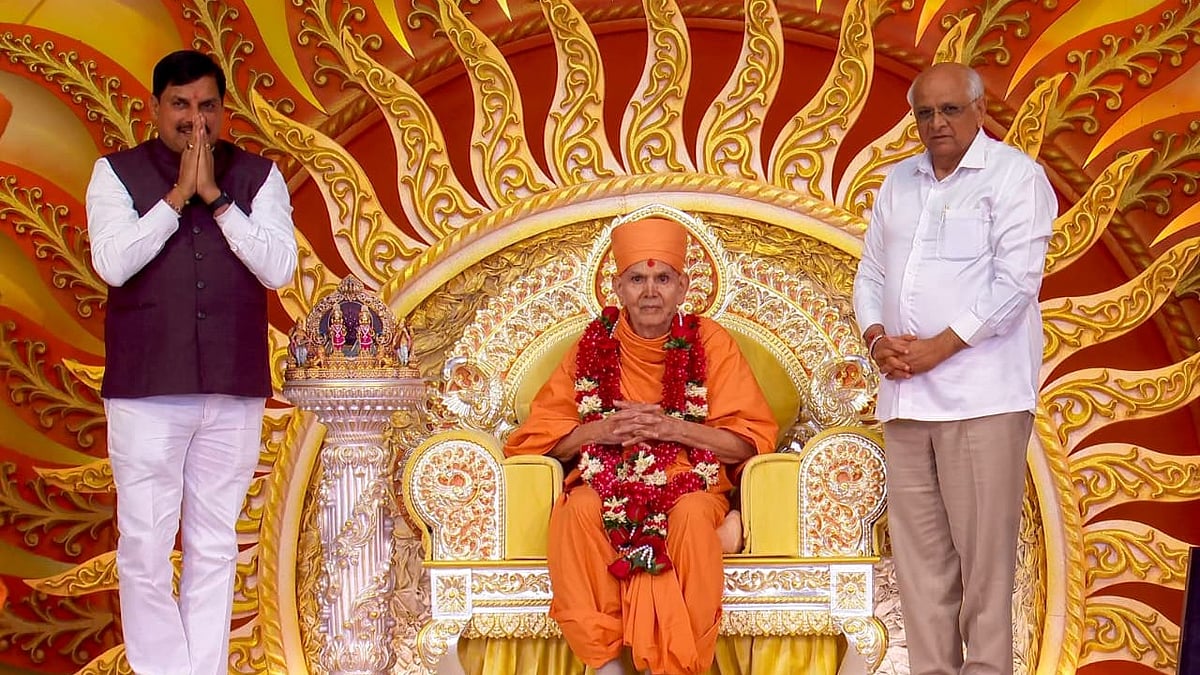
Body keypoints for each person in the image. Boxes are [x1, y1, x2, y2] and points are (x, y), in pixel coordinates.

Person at [86, 50, 297, 675]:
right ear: (156, 109)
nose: (194, 120)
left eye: (207, 105)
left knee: (214, 544)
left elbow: (279, 268)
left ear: (223, 109)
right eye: (180, 105)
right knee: (145, 545)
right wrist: (178, 198)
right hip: (146, 391)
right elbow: (113, 263)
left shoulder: (259, 178)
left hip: (232, 388)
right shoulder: (115, 174)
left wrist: (219, 202)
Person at [503, 217, 779, 675]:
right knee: (577, 512)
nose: (650, 292)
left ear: (683, 286)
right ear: (617, 286)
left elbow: (747, 443)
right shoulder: (591, 345)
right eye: (637, 278)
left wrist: (674, 429)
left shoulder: (710, 343)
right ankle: (605, 663)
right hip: (606, 478)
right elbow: (538, 440)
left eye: (662, 278)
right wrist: (601, 430)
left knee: (689, 517)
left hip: (689, 481)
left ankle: (675, 666)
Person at [852, 63, 1055, 675]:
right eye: (924, 113)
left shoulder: (1015, 177)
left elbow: (1015, 282)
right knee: (919, 566)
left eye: (950, 110)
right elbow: (871, 275)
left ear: (980, 109)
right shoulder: (899, 183)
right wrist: (877, 337)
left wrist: (942, 346)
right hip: (906, 399)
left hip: (982, 397)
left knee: (984, 567)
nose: (936, 123)